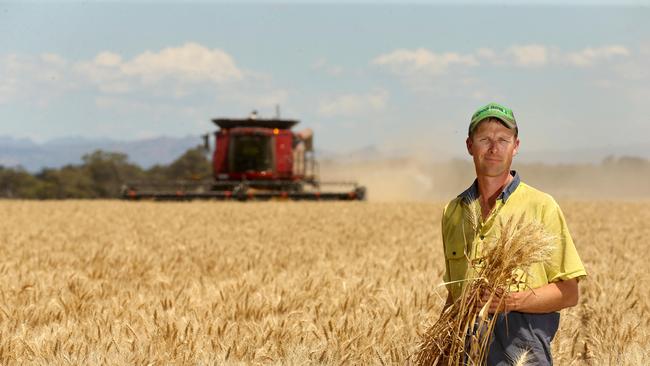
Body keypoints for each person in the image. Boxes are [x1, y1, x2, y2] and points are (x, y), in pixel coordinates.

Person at [441, 102, 587, 365]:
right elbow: (454, 296)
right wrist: (440, 349)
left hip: (521, 357)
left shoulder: (542, 206)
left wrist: (510, 301)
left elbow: (569, 292)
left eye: (503, 140)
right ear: (469, 146)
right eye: (484, 139)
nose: (494, 148)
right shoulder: (453, 211)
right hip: (464, 357)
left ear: (516, 146)